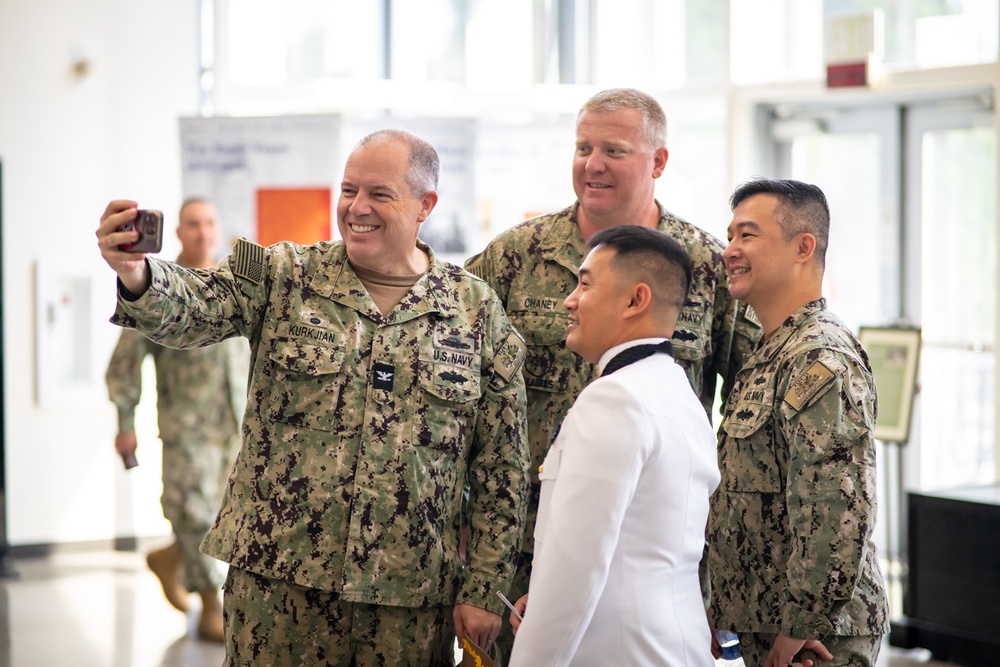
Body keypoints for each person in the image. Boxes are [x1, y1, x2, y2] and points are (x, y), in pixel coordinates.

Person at [96, 129, 529, 666]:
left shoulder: (475, 312)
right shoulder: (286, 276)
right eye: (349, 190)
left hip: (408, 602)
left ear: (426, 206)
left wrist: (484, 587)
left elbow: (502, 465)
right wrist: (138, 275)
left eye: (379, 193)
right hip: (279, 593)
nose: (357, 207)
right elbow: (196, 305)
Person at [464, 87, 762, 663]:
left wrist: (719, 581)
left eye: (614, 151)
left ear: (659, 162)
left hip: (651, 551)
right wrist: (479, 564)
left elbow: (747, 413)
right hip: (524, 550)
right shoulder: (515, 256)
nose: (592, 165)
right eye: (582, 148)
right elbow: (464, 396)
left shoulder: (702, 266)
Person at [506, 226, 721, 667]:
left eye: (584, 284)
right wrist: (545, 592)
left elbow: (576, 570)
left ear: (635, 300)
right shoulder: (675, 388)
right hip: (673, 644)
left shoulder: (615, 398)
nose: (569, 300)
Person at [709, 178, 889, 667]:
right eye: (730, 236)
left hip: (815, 640)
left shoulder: (819, 357)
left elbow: (837, 506)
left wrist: (803, 623)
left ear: (803, 247)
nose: (730, 251)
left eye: (747, 235)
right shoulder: (772, 352)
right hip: (767, 624)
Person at [105, 197, 248, 642]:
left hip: (237, 426)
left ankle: (170, 559)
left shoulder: (238, 285)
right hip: (187, 427)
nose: (203, 232)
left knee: (226, 519)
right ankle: (210, 602)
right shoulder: (160, 289)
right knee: (191, 510)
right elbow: (125, 363)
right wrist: (125, 421)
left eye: (209, 222)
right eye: (192, 224)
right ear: (179, 232)